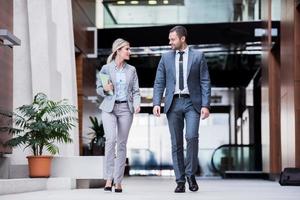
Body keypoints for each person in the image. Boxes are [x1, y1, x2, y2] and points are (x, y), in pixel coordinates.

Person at [153, 26, 211, 193]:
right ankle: (180, 181)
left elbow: (205, 81)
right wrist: (157, 102)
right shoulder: (165, 57)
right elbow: (159, 82)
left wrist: (206, 105)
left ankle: (190, 174)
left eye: (173, 39)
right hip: (173, 104)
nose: (170, 42)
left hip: (192, 103)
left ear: (182, 39)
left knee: (192, 137)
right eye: (170, 39)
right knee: (176, 143)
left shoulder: (198, 56)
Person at [96, 38, 141, 193]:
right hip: (109, 108)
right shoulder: (106, 69)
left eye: (129, 49)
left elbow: (136, 91)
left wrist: (136, 104)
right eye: (127, 49)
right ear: (118, 51)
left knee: (121, 144)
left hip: (125, 109)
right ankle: (109, 179)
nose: (129, 51)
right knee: (111, 141)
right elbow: (100, 89)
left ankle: (118, 181)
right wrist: (105, 89)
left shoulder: (132, 70)